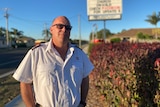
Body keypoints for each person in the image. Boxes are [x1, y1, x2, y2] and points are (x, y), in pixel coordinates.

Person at [13, 16, 94, 107]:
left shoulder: (79, 54)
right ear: (51, 29)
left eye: (68, 28)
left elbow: (85, 78)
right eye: (60, 26)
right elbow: (24, 82)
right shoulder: (36, 53)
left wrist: (82, 102)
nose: (64, 30)